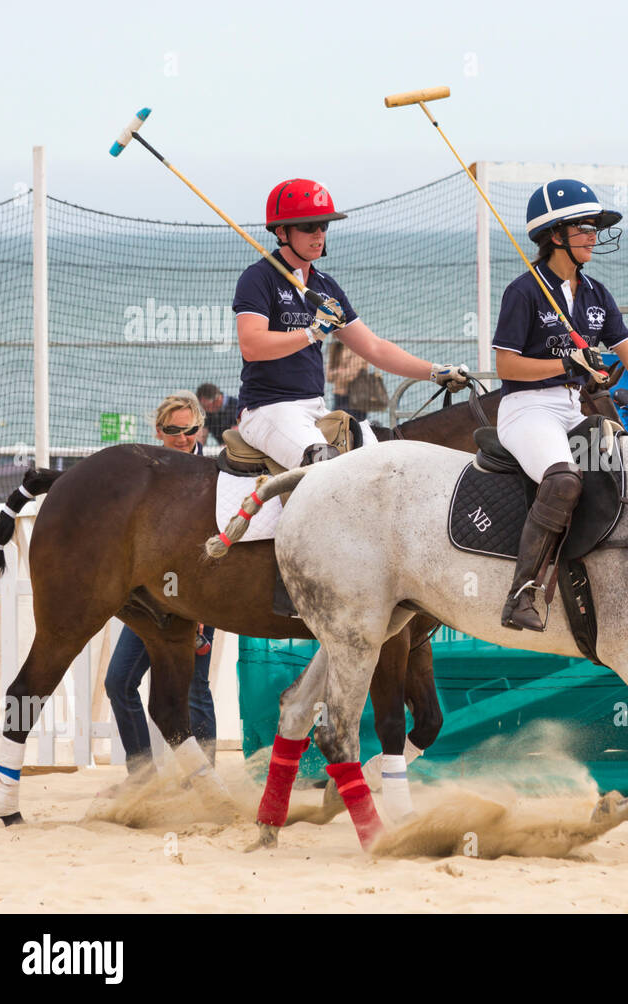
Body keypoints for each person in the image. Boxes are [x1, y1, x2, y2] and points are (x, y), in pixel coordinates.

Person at [492, 178, 628, 631]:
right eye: (583, 227)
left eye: (595, 226)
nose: (593, 235)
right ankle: (522, 592)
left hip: (571, 408)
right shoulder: (524, 291)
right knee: (564, 480)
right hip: (526, 410)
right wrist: (564, 364)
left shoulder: (595, 295)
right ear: (554, 235)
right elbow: (506, 365)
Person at [232, 178, 468, 471]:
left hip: (316, 407)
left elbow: (373, 348)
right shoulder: (258, 279)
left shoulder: (325, 286)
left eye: (324, 225)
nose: (318, 234)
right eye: (308, 226)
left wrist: (435, 372)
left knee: (381, 467)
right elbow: (252, 346)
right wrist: (312, 333)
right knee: (325, 467)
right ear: (281, 231)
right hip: (268, 410)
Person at [104, 392, 216, 775]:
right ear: (158, 430)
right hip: (151, 598)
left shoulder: (216, 474)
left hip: (199, 598)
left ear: (200, 429)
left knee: (194, 691)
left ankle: (204, 786)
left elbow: (222, 546)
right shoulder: (149, 474)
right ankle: (142, 780)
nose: (182, 438)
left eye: (188, 430)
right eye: (173, 431)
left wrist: (200, 609)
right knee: (118, 683)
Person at [326, 339, 369, 424]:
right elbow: (328, 377)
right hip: (339, 397)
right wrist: (342, 371)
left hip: (356, 398)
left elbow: (351, 375)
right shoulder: (336, 349)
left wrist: (337, 372)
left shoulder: (358, 349)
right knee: (337, 427)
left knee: (355, 428)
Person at [195, 382, 240, 446]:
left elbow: (235, 437)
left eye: (206, 406)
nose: (204, 409)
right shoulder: (207, 413)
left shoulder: (237, 407)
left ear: (217, 400)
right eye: (202, 406)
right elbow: (202, 436)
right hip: (221, 450)